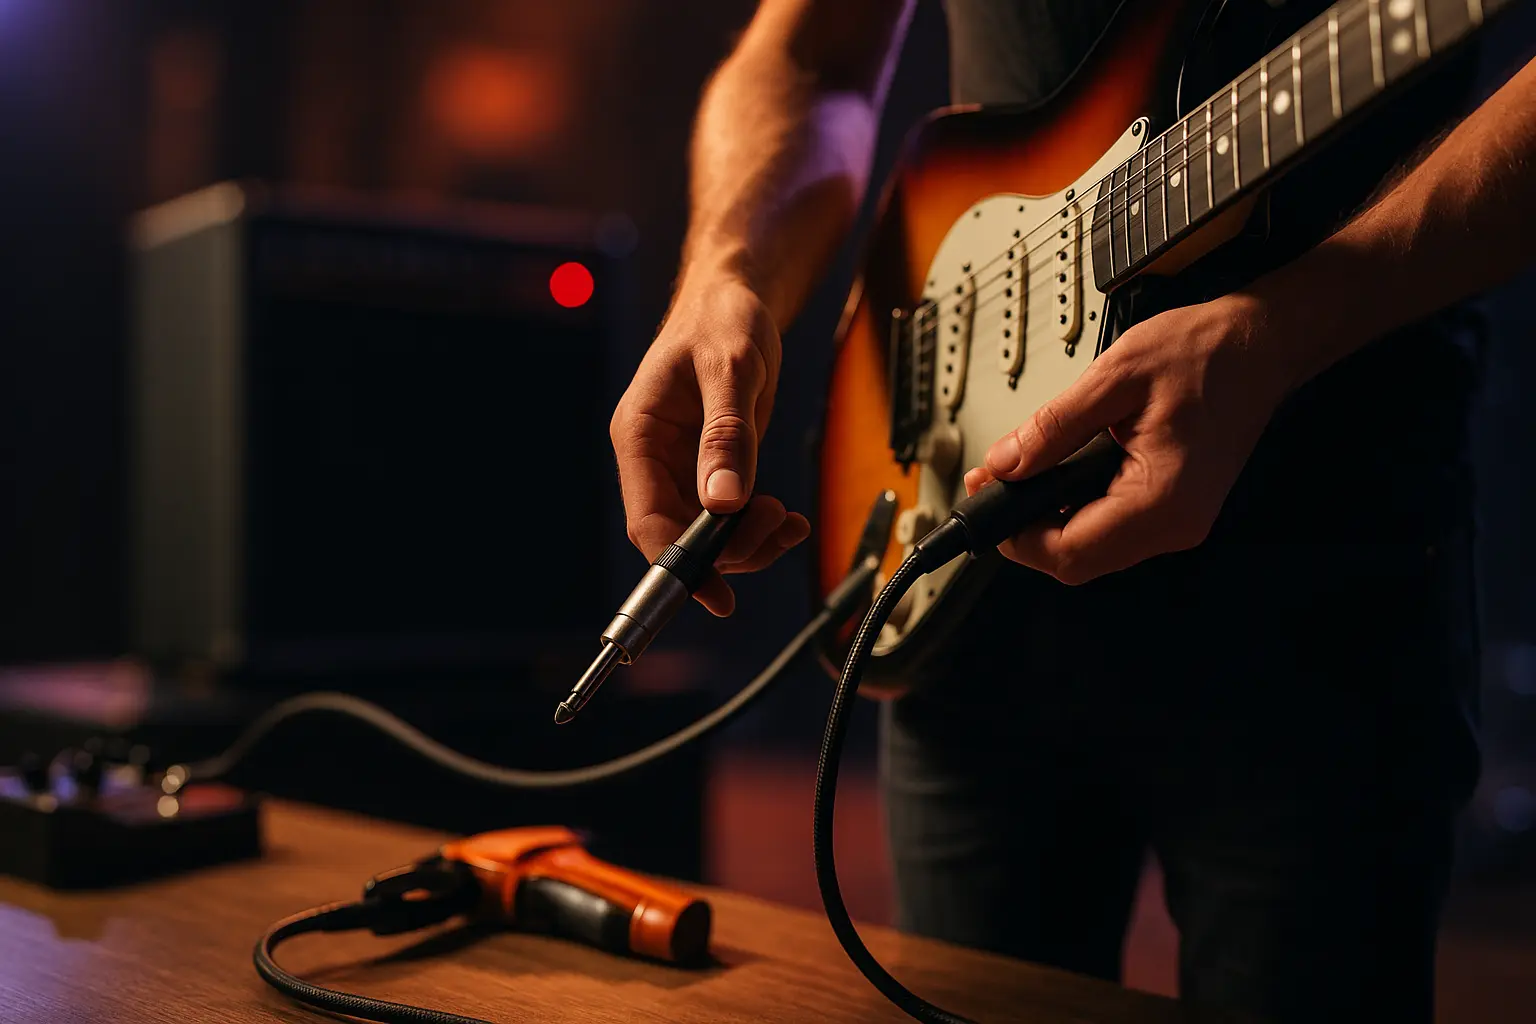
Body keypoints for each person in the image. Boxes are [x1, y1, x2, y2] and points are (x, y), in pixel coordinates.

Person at [607, 1, 1536, 1020]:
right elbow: (808, 52)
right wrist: (721, 272)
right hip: (969, 583)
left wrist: (1287, 327)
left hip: (1331, 578)